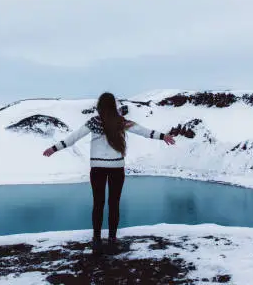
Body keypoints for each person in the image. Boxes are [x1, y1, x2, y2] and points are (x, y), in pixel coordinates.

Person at [43, 92, 176, 255]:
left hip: (97, 168)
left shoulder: (94, 122)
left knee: (98, 203)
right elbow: (144, 131)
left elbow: (73, 138)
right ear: (113, 105)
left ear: (100, 106)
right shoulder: (122, 122)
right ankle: (112, 239)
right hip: (117, 168)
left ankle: (97, 239)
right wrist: (163, 136)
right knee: (114, 203)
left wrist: (54, 148)